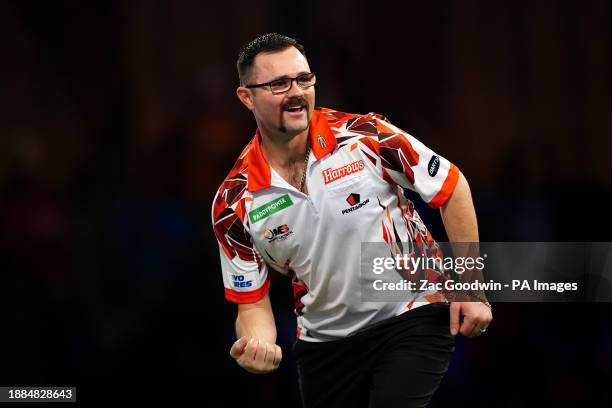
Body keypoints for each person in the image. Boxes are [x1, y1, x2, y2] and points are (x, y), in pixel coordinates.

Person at [212, 33, 493, 408]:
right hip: (324, 348)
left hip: (411, 315)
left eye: (304, 79)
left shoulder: (365, 136)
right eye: (279, 84)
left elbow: (452, 187)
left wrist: (471, 286)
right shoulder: (234, 202)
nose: (296, 92)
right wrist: (259, 344)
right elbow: (252, 305)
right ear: (247, 96)